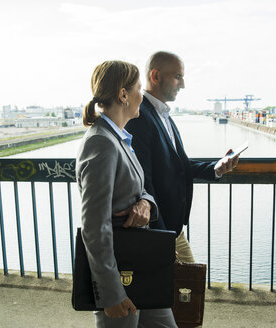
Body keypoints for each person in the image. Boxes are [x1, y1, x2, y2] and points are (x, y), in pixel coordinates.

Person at [76, 60, 178, 327]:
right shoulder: (101, 143)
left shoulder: (118, 138)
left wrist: (146, 202)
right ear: (123, 95)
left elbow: (139, 188)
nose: (141, 96)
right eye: (138, 89)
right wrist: (111, 294)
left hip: (138, 265)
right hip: (120, 273)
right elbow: (94, 226)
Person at [125, 51, 239, 263]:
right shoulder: (140, 116)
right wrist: (160, 238)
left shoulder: (161, 114)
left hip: (172, 229)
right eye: (178, 76)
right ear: (156, 76)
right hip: (160, 230)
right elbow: (143, 179)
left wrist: (216, 168)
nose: (183, 84)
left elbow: (178, 165)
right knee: (186, 290)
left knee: (183, 290)